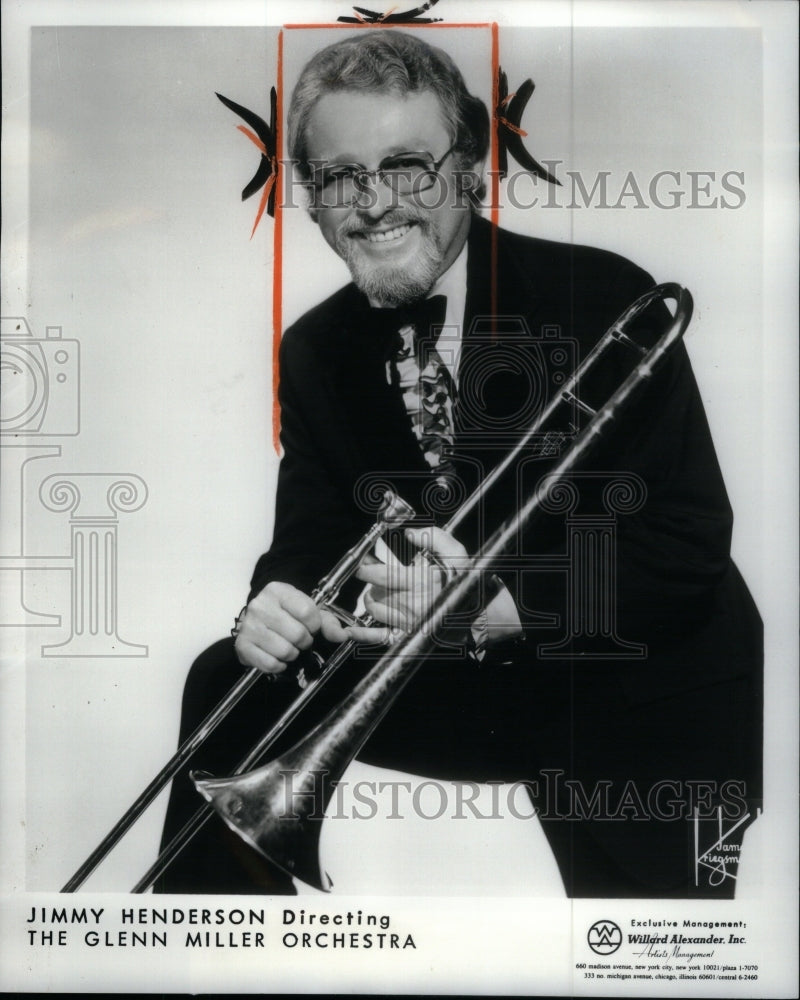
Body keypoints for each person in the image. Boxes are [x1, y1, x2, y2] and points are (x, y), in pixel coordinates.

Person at [155, 30, 762, 897]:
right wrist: (275, 607)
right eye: (339, 177)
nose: (374, 203)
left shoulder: (603, 298)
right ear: (312, 199)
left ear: (469, 165)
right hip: (470, 690)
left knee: (648, 953)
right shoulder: (317, 348)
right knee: (230, 681)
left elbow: (689, 545)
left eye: (408, 167)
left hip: (633, 676)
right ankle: (213, 950)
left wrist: (499, 605)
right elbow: (312, 536)